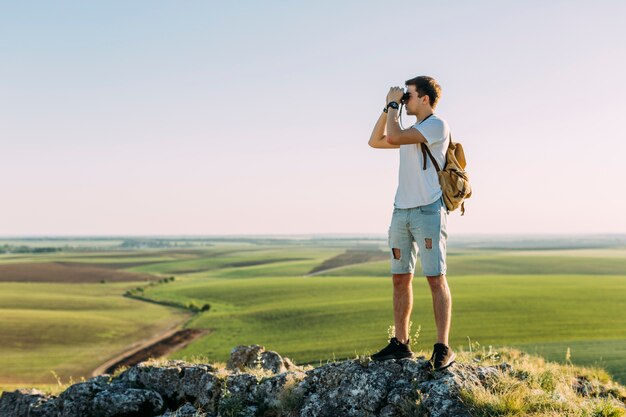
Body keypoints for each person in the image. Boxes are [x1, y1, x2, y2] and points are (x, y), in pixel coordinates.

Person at [367, 75, 456, 371]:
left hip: (428, 211)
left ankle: (443, 347)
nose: (406, 100)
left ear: (425, 99)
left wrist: (393, 104)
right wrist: (387, 108)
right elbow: (375, 141)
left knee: (435, 277)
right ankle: (401, 344)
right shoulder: (408, 129)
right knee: (400, 277)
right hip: (401, 211)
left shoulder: (435, 125)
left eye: (410, 95)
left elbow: (392, 136)